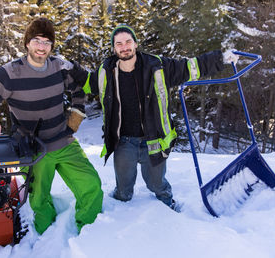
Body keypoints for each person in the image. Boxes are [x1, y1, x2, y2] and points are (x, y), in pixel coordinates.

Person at [74, 24, 238, 211]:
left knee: (156, 183)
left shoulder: (157, 65)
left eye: (128, 41)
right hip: (123, 142)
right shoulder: (106, 71)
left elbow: (189, 67)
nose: (124, 46)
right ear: (114, 48)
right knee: (123, 187)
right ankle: (119, 213)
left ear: (135, 44)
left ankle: (167, 203)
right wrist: (65, 69)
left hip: (153, 139)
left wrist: (220, 58)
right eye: (119, 43)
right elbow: (85, 82)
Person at [0, 17, 103, 234]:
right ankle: (45, 237)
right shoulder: (10, 73)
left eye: (47, 42)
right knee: (39, 200)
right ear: (27, 42)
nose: (41, 47)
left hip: (64, 141)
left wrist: (75, 117)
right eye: (37, 40)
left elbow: (78, 89)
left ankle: (89, 233)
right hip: (33, 148)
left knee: (92, 185)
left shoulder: (59, 67)